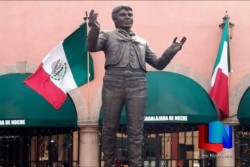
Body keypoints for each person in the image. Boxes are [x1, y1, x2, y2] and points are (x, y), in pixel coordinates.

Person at [87, 5, 186, 167]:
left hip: (138, 84)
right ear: (115, 19)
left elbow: (159, 64)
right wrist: (94, 28)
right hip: (113, 82)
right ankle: (109, 164)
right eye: (123, 14)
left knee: (136, 132)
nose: (128, 17)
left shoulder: (142, 42)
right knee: (109, 129)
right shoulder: (107, 35)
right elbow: (91, 47)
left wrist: (171, 51)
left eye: (130, 14)